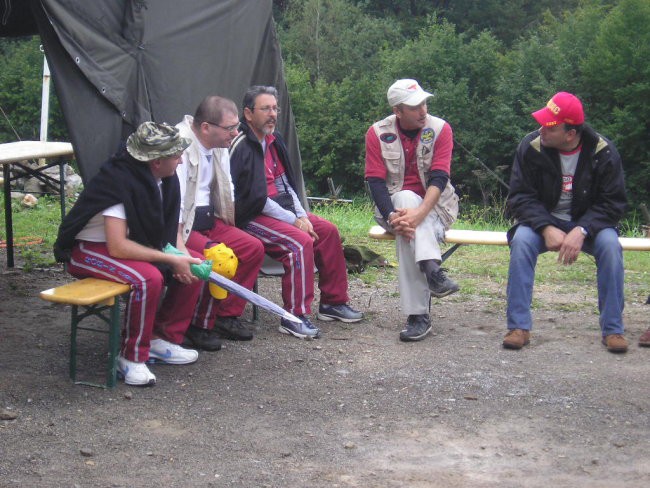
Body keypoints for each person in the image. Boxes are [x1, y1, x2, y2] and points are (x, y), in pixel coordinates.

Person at [53, 122, 203, 386]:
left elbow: (167, 231)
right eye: (175, 155)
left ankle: (160, 339)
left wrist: (182, 257)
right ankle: (130, 357)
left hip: (125, 246)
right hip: (88, 250)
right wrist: (169, 258)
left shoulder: (163, 179)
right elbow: (117, 246)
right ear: (156, 161)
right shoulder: (119, 181)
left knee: (193, 267)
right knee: (148, 278)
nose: (180, 161)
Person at [229, 85, 363, 339]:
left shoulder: (274, 139)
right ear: (248, 114)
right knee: (299, 242)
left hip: (279, 207)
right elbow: (256, 198)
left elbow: (285, 184)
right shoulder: (241, 145)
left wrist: (301, 214)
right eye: (265, 109)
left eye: (275, 108)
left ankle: (333, 302)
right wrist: (294, 221)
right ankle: (294, 316)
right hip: (249, 215)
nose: (272, 114)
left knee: (327, 231)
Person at [504, 92, 628, 353]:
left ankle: (613, 329)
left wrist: (582, 229)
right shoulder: (531, 146)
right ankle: (518, 327)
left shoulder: (603, 152)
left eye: (549, 125)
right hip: (542, 222)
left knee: (610, 246)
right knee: (522, 242)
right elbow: (519, 197)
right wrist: (546, 226)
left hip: (590, 225)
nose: (541, 129)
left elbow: (613, 203)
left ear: (570, 134)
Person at [365, 78, 459, 342]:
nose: (423, 110)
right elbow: (375, 181)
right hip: (391, 211)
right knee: (404, 199)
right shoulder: (376, 133)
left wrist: (417, 215)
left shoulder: (441, 129)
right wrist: (392, 215)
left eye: (425, 103)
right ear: (398, 111)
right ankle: (433, 272)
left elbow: (440, 177)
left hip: (437, 209)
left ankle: (418, 316)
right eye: (415, 106)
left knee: (409, 226)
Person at [176, 95, 265, 350]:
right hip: (183, 225)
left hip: (208, 218)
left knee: (252, 248)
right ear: (206, 127)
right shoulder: (180, 144)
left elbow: (227, 189)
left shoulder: (219, 144)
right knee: (217, 257)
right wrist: (181, 242)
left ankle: (224, 315)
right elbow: (177, 206)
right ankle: (198, 324)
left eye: (236, 126)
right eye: (230, 128)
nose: (236, 132)